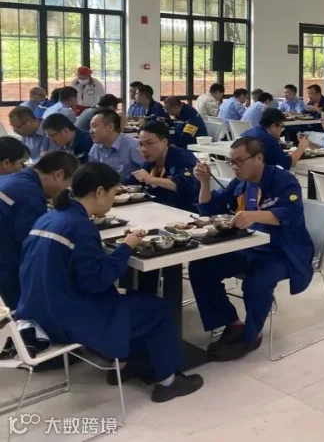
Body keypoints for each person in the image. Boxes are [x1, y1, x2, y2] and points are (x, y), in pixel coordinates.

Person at [17, 162, 204, 402]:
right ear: (99, 192)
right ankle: (168, 382)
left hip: (36, 314)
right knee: (159, 309)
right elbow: (98, 281)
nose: (113, 200)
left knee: (132, 302)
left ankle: (126, 365)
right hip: (66, 319)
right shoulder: (79, 227)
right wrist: (126, 247)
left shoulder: (49, 217)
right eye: (114, 193)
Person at [188, 138, 315, 361]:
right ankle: (232, 323)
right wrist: (205, 182)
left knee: (257, 282)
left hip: (282, 251)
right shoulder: (240, 183)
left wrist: (254, 216)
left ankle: (251, 335)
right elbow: (209, 209)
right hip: (248, 246)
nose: (235, 167)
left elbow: (293, 214)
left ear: (259, 158)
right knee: (201, 267)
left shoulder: (283, 180)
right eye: (231, 162)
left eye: (240, 161)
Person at [0, 151, 78, 307]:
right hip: (7, 269)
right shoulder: (28, 194)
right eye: (68, 185)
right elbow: (35, 244)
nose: (65, 190)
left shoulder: (14, 180)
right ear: (59, 175)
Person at [125, 120, 199, 212]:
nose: (143, 149)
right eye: (140, 144)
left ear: (164, 142)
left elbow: (188, 185)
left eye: (149, 143)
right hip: (157, 210)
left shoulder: (183, 157)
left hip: (184, 212)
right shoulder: (150, 161)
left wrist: (151, 179)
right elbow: (132, 182)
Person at [241, 108, 306, 168]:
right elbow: (288, 163)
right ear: (273, 126)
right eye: (281, 127)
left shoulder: (249, 132)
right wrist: (302, 147)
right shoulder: (268, 140)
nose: (282, 130)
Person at [88, 109, 144, 180]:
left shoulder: (133, 145)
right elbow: (93, 174)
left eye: (94, 126)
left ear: (110, 127)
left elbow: (147, 172)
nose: (90, 131)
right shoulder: (96, 147)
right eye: (90, 127)